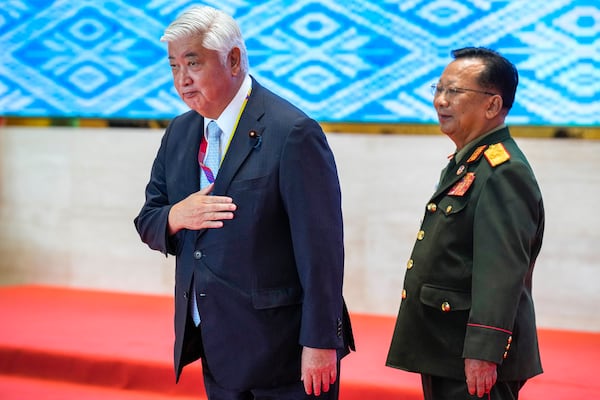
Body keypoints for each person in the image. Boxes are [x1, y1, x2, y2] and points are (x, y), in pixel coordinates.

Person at [134, 6, 354, 400]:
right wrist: (175, 216)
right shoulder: (181, 132)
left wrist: (321, 342)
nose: (182, 80)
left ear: (233, 59)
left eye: (193, 63)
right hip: (215, 343)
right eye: (173, 67)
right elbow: (148, 219)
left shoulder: (293, 132)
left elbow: (321, 250)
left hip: (282, 350)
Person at [386, 47, 545, 400]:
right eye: (438, 89)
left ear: (492, 105)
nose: (441, 101)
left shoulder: (504, 172)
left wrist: (484, 352)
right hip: (446, 348)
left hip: (472, 357)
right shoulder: (468, 163)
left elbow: (501, 271)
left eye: (454, 92)